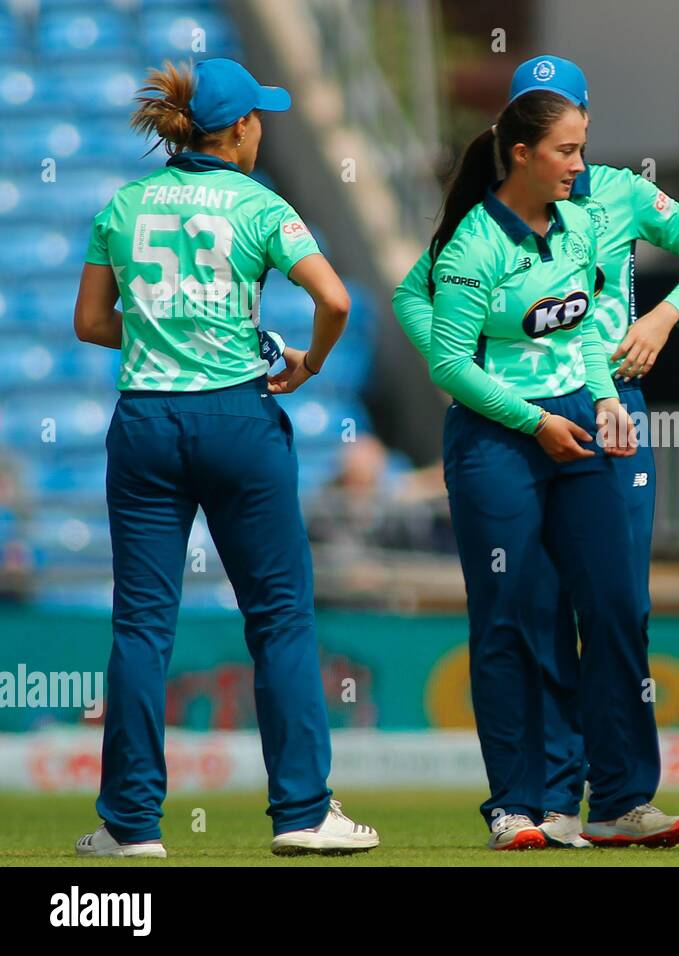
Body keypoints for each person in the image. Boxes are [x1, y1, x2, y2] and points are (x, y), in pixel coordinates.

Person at [71, 58, 377, 857]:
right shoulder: (260, 204)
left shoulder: (124, 204)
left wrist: (164, 335)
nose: (263, 127)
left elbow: (91, 323)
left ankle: (131, 828)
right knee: (278, 620)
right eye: (260, 117)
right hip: (238, 419)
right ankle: (304, 814)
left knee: (141, 626)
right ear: (239, 127)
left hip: (144, 422)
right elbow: (336, 300)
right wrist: (306, 362)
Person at [392, 87, 679, 850]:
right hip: (500, 436)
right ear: (521, 153)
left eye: (583, 148)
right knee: (512, 620)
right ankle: (517, 806)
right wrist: (535, 422)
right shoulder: (470, 246)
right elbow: (451, 366)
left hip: (579, 424)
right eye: (566, 150)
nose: (580, 165)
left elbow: (587, 329)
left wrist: (603, 402)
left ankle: (619, 801)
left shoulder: (578, 225)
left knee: (618, 605)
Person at [502, 55, 679, 849]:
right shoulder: (498, 214)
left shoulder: (623, 191)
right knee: (540, 603)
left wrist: (662, 321)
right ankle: (553, 797)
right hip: (527, 409)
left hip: (618, 413)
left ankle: (622, 797)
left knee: (619, 603)